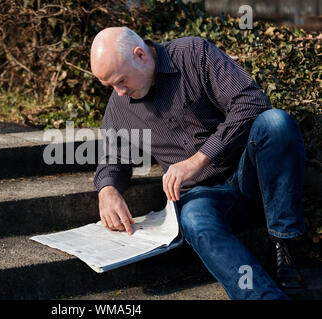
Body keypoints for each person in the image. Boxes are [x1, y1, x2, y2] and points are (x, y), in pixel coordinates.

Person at [90, 27, 306, 300]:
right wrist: (107, 190)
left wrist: (198, 160)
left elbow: (251, 102)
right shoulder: (120, 105)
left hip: (248, 175)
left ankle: (285, 248)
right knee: (192, 219)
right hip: (201, 198)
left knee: (275, 123)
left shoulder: (193, 54)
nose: (119, 92)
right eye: (110, 86)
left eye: (120, 81)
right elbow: (113, 157)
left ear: (140, 55)